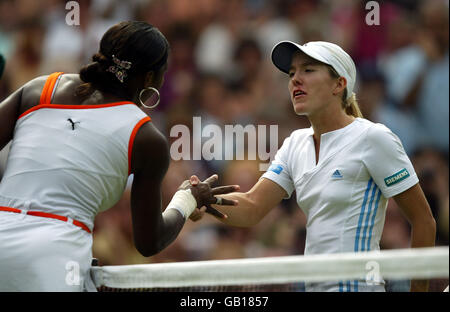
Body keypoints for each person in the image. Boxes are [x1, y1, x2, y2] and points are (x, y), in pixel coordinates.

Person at [0, 21, 237, 292]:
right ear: (151, 79)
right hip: (55, 256)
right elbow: (149, 242)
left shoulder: (39, 89)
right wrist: (187, 199)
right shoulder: (146, 138)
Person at [189, 40, 436, 292]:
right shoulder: (295, 143)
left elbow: (423, 220)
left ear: (339, 84)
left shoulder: (373, 138)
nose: (296, 79)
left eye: (308, 70)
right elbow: (253, 206)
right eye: (292, 73)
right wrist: (205, 201)